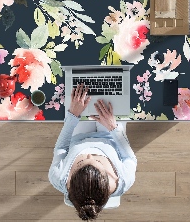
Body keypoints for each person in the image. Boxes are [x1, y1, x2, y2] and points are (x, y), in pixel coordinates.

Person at [49, 83, 137, 220]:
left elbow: (61, 148)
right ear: (109, 178)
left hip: (78, 137)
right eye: (97, 161)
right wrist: (113, 127)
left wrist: (73, 115)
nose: (89, 154)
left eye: (81, 162)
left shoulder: (58, 178)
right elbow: (129, 158)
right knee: (113, 94)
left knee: (78, 99)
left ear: (70, 180)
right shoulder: (125, 180)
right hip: (110, 136)